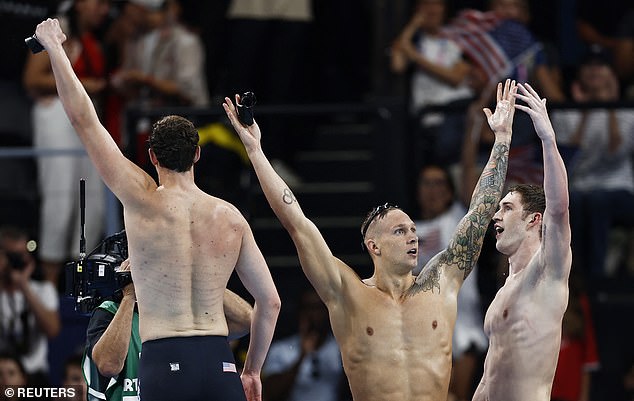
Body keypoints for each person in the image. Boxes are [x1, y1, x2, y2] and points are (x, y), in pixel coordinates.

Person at [34, 18, 281, 401]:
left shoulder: (142, 199)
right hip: (220, 364)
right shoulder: (231, 217)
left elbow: (84, 120)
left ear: (151, 157)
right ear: (198, 155)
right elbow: (270, 302)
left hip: (165, 362)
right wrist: (251, 370)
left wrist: (54, 48)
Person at [224, 79, 517, 400]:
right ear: (373, 246)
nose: (412, 237)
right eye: (400, 231)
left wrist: (501, 139)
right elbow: (296, 222)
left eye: (413, 231)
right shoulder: (347, 293)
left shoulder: (441, 280)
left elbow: (480, 210)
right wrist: (255, 151)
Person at [472, 82, 572, 400]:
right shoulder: (505, 289)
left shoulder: (548, 270)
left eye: (507, 208)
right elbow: (490, 375)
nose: (496, 217)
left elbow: (558, 209)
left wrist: (547, 138)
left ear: (533, 220)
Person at [23, 0, 111, 287]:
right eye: (98, 2)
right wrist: (88, 84)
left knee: (94, 200)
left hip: (85, 117)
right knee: (61, 198)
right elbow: (32, 78)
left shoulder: (96, 37)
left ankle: (81, 282)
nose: (104, 9)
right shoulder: (53, 28)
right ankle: (48, 287)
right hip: (56, 116)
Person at [83, 258, 254, 401]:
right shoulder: (109, 312)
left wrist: (191, 274)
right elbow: (108, 365)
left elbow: (246, 320)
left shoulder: (176, 315)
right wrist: (129, 295)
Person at [412, 165, 488, 401]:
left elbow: (472, 191)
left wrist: (472, 130)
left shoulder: (459, 218)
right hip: (424, 327)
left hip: (463, 325)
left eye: (439, 183)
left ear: (449, 191)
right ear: (417, 190)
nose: (433, 190)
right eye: (427, 183)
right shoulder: (406, 230)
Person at [0, 225, 60, 386]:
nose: (18, 261)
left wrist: (24, 287)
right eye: (12, 256)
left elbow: (52, 330)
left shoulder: (43, 290)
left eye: (22, 255)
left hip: (35, 376)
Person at [262, 287, 346, 401]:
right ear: (300, 312)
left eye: (319, 308)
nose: (314, 315)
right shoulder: (281, 349)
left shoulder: (341, 348)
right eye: (309, 308)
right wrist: (302, 356)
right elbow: (270, 392)